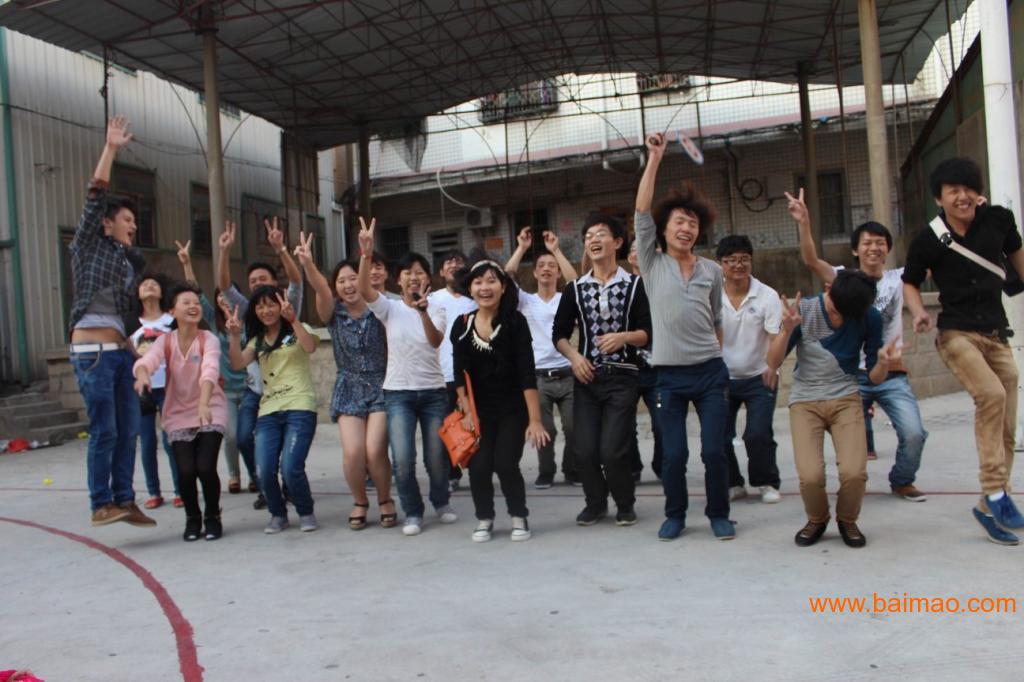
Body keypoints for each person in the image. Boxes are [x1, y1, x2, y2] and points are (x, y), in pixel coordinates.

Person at [903, 157, 1024, 545]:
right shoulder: (928, 239)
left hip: (996, 333)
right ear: (940, 198)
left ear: (978, 192)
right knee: (990, 395)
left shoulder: (999, 221)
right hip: (956, 334)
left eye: (968, 188)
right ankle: (995, 490)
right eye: (953, 190)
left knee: (1005, 424)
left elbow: (1020, 263)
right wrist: (920, 311)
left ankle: (988, 509)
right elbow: (910, 282)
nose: (963, 196)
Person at [789, 189, 928, 501]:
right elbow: (810, 259)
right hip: (848, 378)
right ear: (855, 250)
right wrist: (804, 221)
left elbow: (937, 260)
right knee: (844, 442)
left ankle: (902, 479)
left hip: (889, 373)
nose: (874, 248)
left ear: (889, 249)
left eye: (880, 243)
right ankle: (847, 482)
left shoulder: (901, 278)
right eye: (867, 242)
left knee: (915, 433)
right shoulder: (841, 278)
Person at [635, 133, 732, 541]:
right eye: (679, 221)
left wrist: (717, 355)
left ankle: (718, 513)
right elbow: (641, 208)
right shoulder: (651, 262)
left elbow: (716, 319)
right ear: (663, 228)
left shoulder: (712, 271)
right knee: (673, 455)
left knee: (714, 451)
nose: (686, 228)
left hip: (710, 373)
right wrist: (655, 158)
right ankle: (675, 513)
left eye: (693, 223)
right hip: (668, 377)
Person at [767, 270, 897, 548]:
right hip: (805, 400)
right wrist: (787, 329)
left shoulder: (868, 317)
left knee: (854, 472)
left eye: (844, 313)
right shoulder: (806, 309)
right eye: (835, 307)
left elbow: (873, 378)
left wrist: (884, 364)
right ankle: (817, 519)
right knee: (811, 475)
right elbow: (772, 361)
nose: (837, 315)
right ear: (829, 288)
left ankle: (847, 520)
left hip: (846, 397)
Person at [67, 115, 155, 528]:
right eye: (127, 220)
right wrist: (111, 149)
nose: (133, 226)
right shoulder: (89, 245)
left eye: (135, 223)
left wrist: (133, 349)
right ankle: (100, 502)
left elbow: (125, 316)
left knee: (130, 431)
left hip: (117, 354)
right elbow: (94, 194)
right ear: (107, 222)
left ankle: (124, 497)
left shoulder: (125, 262)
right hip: (92, 355)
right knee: (105, 430)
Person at [357, 217, 457, 536]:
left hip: (433, 392)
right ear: (398, 281)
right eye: (408, 273)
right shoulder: (389, 308)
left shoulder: (438, 307)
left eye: (419, 273)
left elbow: (435, 340)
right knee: (402, 458)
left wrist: (424, 310)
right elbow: (362, 289)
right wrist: (365, 254)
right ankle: (413, 511)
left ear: (428, 278)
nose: (414, 278)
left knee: (436, 456)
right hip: (398, 393)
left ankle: (441, 501)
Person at [552, 214, 651, 528]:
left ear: (618, 242)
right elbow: (559, 334)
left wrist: (623, 337)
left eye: (601, 234)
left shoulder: (635, 285)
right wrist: (574, 358)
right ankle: (595, 504)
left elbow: (648, 333)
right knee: (584, 449)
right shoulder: (576, 289)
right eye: (588, 235)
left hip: (623, 377)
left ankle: (624, 503)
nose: (593, 240)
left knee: (612, 449)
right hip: (586, 377)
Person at [294, 232, 397, 530]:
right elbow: (320, 290)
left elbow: (367, 287)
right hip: (348, 386)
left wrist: (365, 254)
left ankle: (385, 498)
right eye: (342, 281)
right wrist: (309, 264)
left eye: (353, 279)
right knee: (353, 452)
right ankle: (360, 500)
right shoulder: (333, 313)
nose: (349, 285)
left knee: (375, 450)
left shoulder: (379, 307)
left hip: (380, 384)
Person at [451, 261, 550, 542]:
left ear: (503, 286)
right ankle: (485, 518)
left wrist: (534, 420)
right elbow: (458, 373)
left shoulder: (516, 322)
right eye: (478, 281)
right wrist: (467, 410)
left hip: (513, 409)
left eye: (492, 281)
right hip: (478, 412)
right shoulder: (462, 325)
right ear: (470, 288)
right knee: (479, 466)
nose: (485, 287)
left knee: (506, 463)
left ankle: (519, 515)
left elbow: (527, 374)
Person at [216, 218, 303, 510]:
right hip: (257, 391)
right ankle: (265, 483)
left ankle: (287, 484)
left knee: (284, 444)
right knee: (242, 438)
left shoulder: (287, 304)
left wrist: (280, 249)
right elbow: (224, 285)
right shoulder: (249, 309)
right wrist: (225, 251)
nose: (257, 286)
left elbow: (296, 280)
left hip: (289, 392)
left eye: (262, 280)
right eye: (252, 283)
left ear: (273, 284)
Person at [133, 282, 228, 541]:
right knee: (185, 471)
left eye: (196, 302)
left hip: (210, 408)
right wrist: (142, 376)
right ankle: (192, 518)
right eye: (186, 302)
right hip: (177, 412)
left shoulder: (208, 339)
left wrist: (204, 403)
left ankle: (212, 516)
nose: (193, 306)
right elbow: (146, 361)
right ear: (172, 311)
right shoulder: (165, 341)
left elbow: (210, 369)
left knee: (206, 467)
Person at [227, 286, 320, 534]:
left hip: (300, 406)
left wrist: (294, 319)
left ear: (281, 306)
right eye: (260, 306)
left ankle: (305, 511)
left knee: (290, 467)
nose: (266, 310)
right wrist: (235, 336)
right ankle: (278, 514)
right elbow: (237, 363)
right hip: (268, 411)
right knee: (264, 469)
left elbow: (310, 347)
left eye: (271, 304)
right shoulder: (257, 341)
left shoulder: (297, 330)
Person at [175, 239, 256, 495]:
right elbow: (195, 293)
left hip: (252, 388)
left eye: (227, 295)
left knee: (248, 436)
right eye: (218, 295)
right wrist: (187, 263)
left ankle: (257, 474)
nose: (223, 298)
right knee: (231, 436)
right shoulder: (212, 321)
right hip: (225, 392)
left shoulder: (249, 320)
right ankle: (234, 474)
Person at [504, 227, 580, 488]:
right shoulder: (525, 301)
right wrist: (522, 248)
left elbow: (577, 283)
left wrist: (556, 250)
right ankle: (546, 471)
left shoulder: (565, 299)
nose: (547, 269)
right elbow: (506, 277)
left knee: (573, 428)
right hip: (537, 377)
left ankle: (572, 470)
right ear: (535, 273)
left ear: (557, 272)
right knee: (545, 430)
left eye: (552, 266)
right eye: (542, 265)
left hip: (568, 373)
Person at [717, 235, 783, 504]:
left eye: (743, 259)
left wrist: (772, 365)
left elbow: (774, 336)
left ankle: (766, 481)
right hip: (722, 378)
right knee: (720, 433)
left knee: (758, 433)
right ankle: (733, 483)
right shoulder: (712, 295)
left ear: (751, 261)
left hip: (759, 375)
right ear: (720, 264)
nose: (737, 265)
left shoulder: (767, 296)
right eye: (731, 260)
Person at [428, 249, 478, 493]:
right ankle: (451, 472)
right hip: (443, 374)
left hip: (474, 374)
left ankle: (480, 469)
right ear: (440, 271)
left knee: (477, 424)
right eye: (448, 261)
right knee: (446, 427)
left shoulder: (476, 297)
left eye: (458, 260)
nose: (453, 264)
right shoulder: (432, 299)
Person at [130, 272, 180, 509]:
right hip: (143, 388)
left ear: (162, 292)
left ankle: (180, 490)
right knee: (147, 442)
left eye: (154, 284)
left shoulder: (171, 321)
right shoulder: (132, 324)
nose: (149, 285)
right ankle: (153, 491)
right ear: (137, 293)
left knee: (171, 440)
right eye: (144, 283)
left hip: (169, 386)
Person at [626, 239, 662, 482]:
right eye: (634, 250)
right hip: (628, 368)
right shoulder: (621, 285)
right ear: (629, 257)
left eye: (645, 248)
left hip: (659, 367)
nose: (639, 253)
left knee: (662, 422)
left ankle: (663, 466)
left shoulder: (665, 284)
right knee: (624, 423)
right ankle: (632, 467)